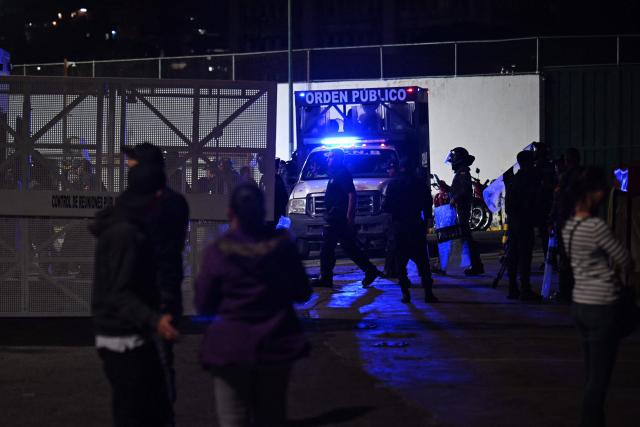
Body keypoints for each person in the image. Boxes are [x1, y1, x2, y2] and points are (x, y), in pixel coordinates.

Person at [194, 183, 312, 427]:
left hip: (229, 347)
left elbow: (204, 303)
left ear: (230, 214)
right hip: (276, 344)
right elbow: (302, 292)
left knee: (232, 418)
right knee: (272, 415)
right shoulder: (282, 246)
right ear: (262, 212)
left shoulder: (218, 251)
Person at [90, 163, 179, 427]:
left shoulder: (121, 224)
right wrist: (155, 320)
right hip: (126, 339)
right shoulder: (126, 232)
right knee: (141, 413)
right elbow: (120, 292)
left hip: (120, 336)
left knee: (136, 411)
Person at [121, 143, 190, 426]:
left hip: (147, 295)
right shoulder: (176, 203)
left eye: (133, 166)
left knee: (141, 367)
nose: (129, 170)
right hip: (165, 294)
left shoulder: (141, 205)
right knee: (161, 364)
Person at [562, 166, 631, 427]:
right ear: (591, 194)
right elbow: (625, 258)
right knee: (599, 383)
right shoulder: (596, 226)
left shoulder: (569, 227)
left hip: (580, 305)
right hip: (602, 306)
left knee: (592, 375)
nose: (604, 195)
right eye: (601, 190)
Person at [314, 148, 382, 288]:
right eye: (328, 157)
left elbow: (352, 195)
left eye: (331, 157)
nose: (328, 159)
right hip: (334, 217)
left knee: (327, 248)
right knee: (349, 247)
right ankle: (370, 270)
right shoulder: (335, 173)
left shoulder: (342, 174)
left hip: (337, 218)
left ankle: (326, 278)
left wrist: (349, 218)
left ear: (338, 158)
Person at [383, 158, 438, 303]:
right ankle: (428, 293)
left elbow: (386, 206)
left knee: (401, 263)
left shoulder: (393, 184)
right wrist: (427, 221)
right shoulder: (419, 183)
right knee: (422, 261)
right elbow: (427, 204)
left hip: (399, 227)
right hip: (415, 225)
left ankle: (405, 294)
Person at [505, 151, 542, 301]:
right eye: (531, 162)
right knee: (524, 257)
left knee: (513, 256)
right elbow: (533, 202)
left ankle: (512, 288)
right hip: (523, 223)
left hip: (514, 223)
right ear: (526, 163)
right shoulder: (527, 181)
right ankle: (525, 290)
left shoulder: (513, 180)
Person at [446, 147, 484, 275]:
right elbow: (457, 189)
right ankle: (475, 264)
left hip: (462, 209)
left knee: (466, 238)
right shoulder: (461, 172)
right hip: (460, 209)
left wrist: (454, 199)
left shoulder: (462, 172)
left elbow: (463, 190)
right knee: (464, 238)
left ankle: (477, 265)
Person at [554, 147, 582, 303]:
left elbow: (559, 200)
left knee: (565, 259)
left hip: (566, 222)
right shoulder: (585, 176)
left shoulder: (566, 177)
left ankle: (565, 292)